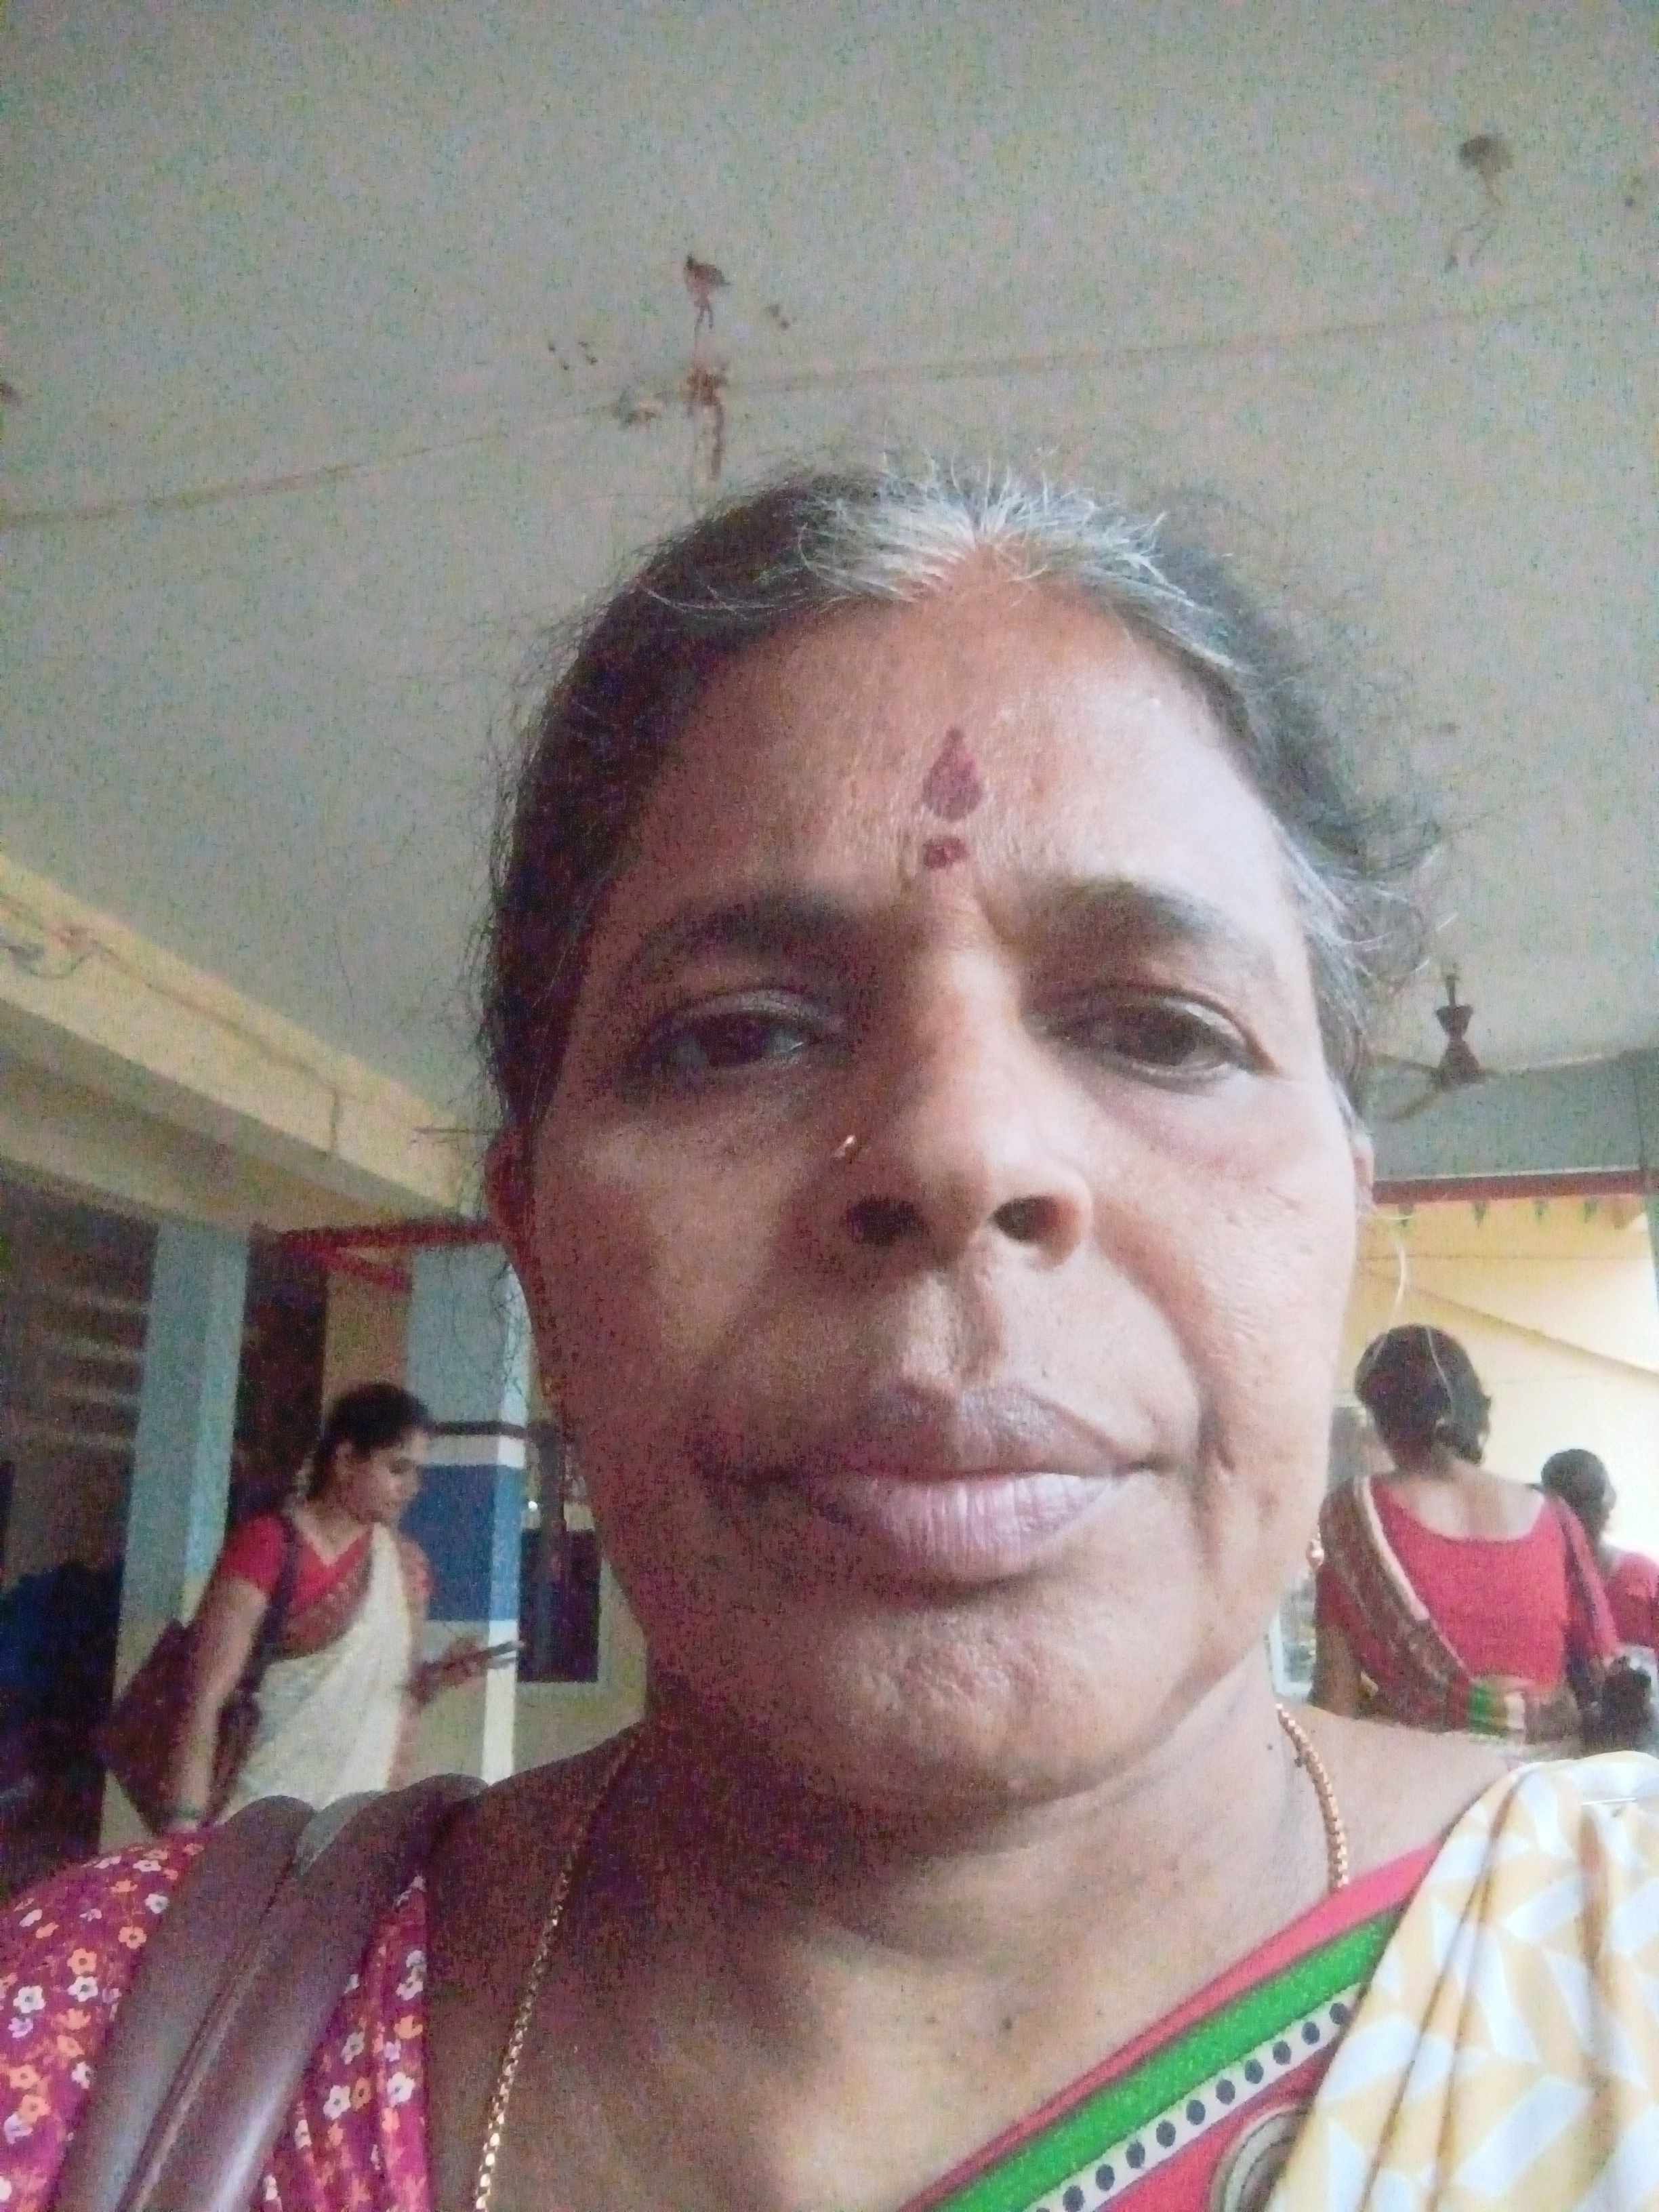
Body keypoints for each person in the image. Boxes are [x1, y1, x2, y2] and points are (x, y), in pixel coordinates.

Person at [5, 464, 1658, 2209]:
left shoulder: (1603, 1981)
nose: (960, 1155)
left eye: (1162, 1031)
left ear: (1346, 1217)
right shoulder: (82, 2071)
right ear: (537, 1251)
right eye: (737, 1037)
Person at [1313, 1326, 1619, 1753]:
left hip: (1425, 1782)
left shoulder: (1353, 1515)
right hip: (1550, 1784)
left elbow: (1335, 1703)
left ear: (1382, 1419)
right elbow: (1607, 1671)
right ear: (1472, 1407)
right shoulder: (1556, 1516)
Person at [162, 1381, 441, 1830]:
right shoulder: (268, 1547)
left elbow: (392, 1698)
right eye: (397, 1469)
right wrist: (183, 1830)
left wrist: (436, 1681)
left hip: (353, 1827)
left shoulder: (406, 1568)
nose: (411, 1488)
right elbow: (203, 1700)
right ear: (345, 1460)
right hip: (253, 1817)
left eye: (417, 1474)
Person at [1542, 1446, 1659, 1653]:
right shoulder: (1545, 1583)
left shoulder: (1644, 1575)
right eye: (1575, 1502)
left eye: (1589, 1500)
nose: (1582, 1516)